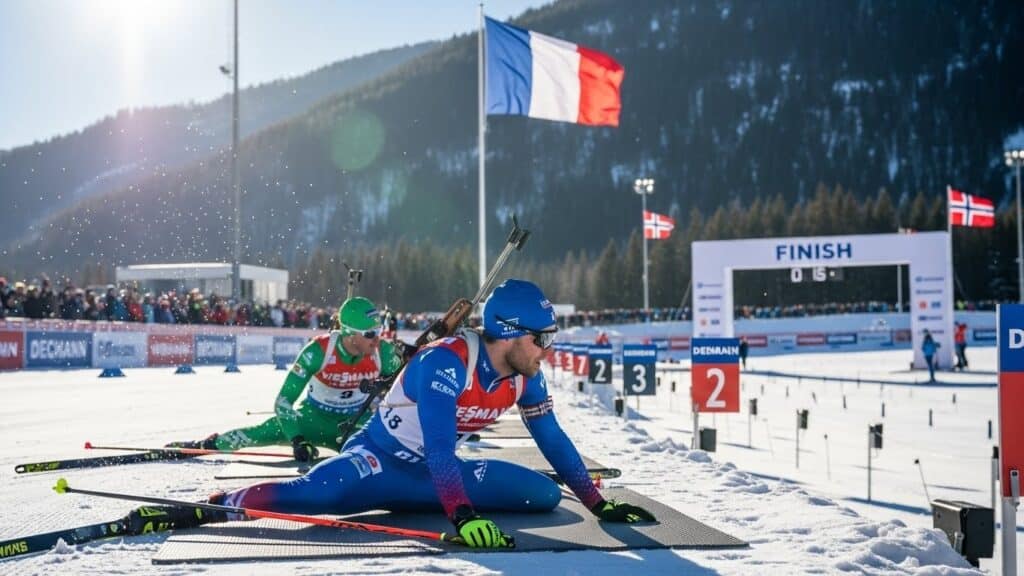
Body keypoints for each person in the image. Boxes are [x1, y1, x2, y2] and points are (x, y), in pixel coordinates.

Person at [142, 279, 655, 547]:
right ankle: (219, 503)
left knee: (542, 493)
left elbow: (553, 437)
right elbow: (435, 442)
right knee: (316, 496)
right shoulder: (447, 361)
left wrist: (597, 503)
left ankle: (431, 499)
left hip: (430, 478)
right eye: (542, 338)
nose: (548, 348)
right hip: (379, 458)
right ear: (513, 332)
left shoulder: (527, 375)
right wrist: (463, 516)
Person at [167, 296, 403, 462]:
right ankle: (202, 446)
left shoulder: (384, 353)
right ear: (350, 334)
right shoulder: (318, 351)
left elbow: (410, 388)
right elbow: (283, 401)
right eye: (371, 334)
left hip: (356, 425)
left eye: (379, 331)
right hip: (311, 421)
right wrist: (297, 440)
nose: (377, 339)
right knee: (255, 435)